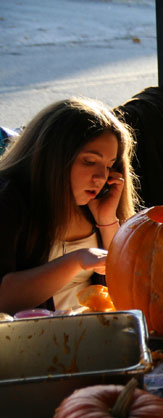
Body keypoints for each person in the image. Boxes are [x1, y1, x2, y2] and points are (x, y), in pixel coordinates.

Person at [0, 97, 137, 314]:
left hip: (93, 334)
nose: (101, 177)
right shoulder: (8, 199)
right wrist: (76, 260)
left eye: (109, 165)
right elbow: (4, 300)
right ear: (53, 157)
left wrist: (107, 220)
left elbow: (128, 287)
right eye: (90, 161)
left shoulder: (95, 204)